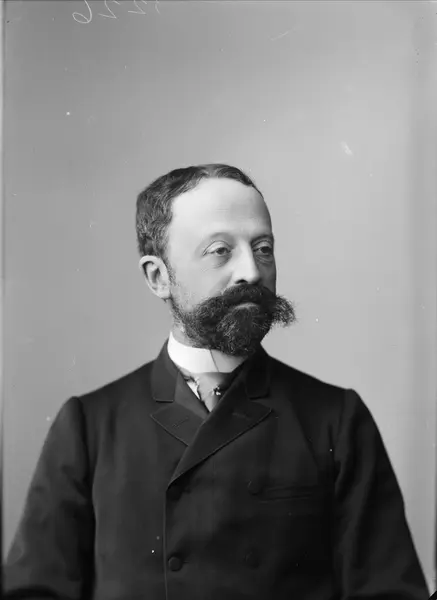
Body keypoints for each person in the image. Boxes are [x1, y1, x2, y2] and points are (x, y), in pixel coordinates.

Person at [4, 164, 429, 599]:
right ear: (158, 277)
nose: (251, 272)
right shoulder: (89, 427)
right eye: (220, 250)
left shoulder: (336, 420)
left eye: (263, 248)